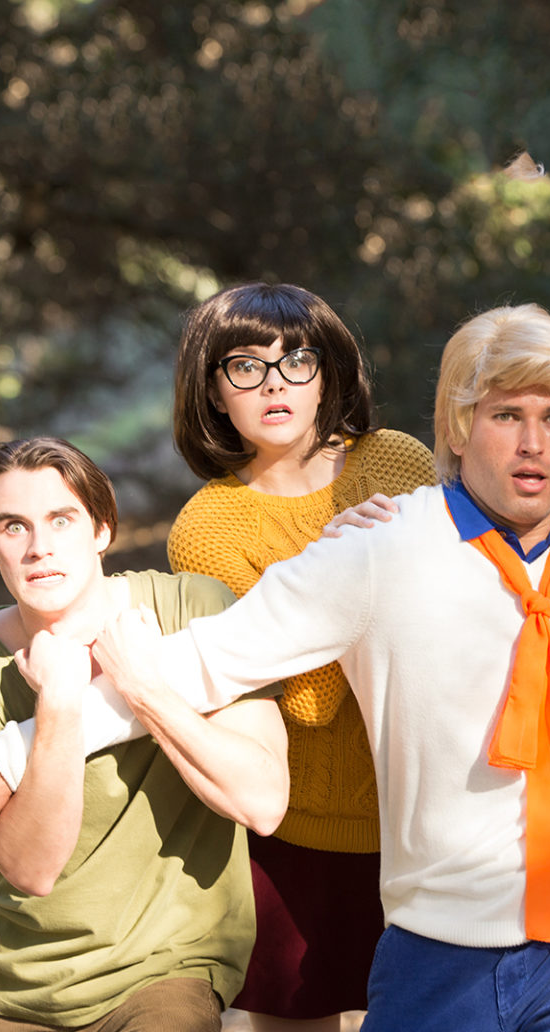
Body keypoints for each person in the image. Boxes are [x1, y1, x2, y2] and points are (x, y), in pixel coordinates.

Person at [78, 302, 550, 1031]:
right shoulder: (360, 548)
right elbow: (223, 667)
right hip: (403, 898)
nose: (533, 442)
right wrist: (9, 755)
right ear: (459, 426)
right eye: (507, 415)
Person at [0, 437, 289, 1032]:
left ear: (102, 529)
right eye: (13, 526)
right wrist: (58, 703)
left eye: (61, 519)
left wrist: (141, 685)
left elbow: (261, 803)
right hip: (21, 986)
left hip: (167, 969)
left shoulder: (192, 608)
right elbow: (33, 869)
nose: (40, 547)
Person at [165, 281, 437, 1030]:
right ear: (214, 391)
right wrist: (338, 561)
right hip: (296, 829)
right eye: (245, 366)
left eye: (297, 361)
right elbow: (307, 701)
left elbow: (446, 621)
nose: (274, 384)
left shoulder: (397, 462)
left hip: (426, 813)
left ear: (329, 374)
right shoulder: (208, 529)